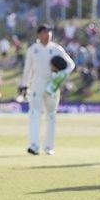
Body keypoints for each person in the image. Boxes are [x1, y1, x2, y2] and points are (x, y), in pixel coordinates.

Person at [19, 24, 75, 155]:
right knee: (34, 114)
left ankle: (49, 147)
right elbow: (27, 69)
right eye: (45, 32)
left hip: (52, 86)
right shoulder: (33, 49)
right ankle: (34, 145)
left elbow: (70, 65)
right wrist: (23, 85)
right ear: (39, 34)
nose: (48, 34)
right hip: (36, 85)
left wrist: (61, 76)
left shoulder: (56, 49)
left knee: (51, 116)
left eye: (49, 32)